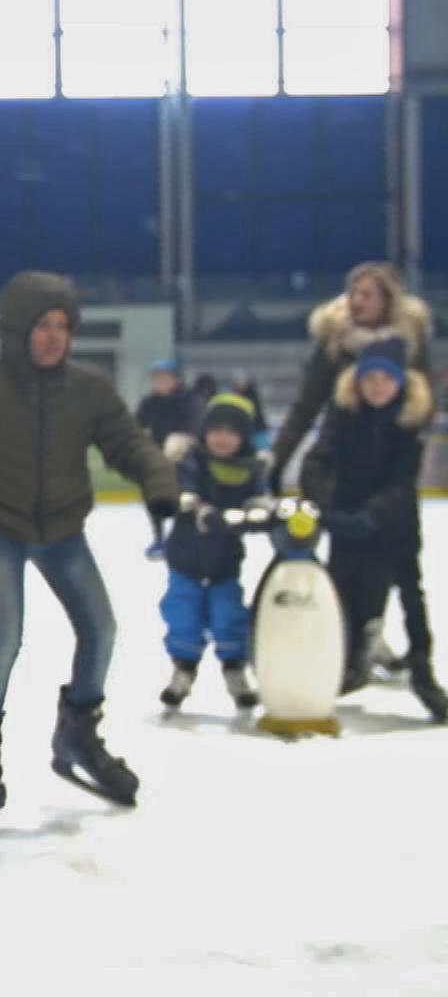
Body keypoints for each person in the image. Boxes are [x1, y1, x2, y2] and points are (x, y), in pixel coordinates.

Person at [0, 270, 179, 826]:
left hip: (61, 530)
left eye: (61, 326)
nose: (53, 336)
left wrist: (160, 485)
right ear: (15, 331)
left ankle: (78, 735)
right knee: (5, 639)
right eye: (41, 325)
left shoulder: (89, 389)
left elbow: (130, 443)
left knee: (101, 628)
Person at [298, 337, 442, 721]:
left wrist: (374, 515)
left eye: (386, 378)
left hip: (394, 528)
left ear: (401, 382)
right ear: (357, 380)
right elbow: (317, 461)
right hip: (345, 523)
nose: (377, 385)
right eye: (370, 377)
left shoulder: (410, 422)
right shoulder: (342, 415)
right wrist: (326, 505)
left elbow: (401, 482)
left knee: (411, 598)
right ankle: (347, 665)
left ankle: (424, 675)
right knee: (343, 596)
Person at [272, 261, 432, 488]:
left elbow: (423, 403)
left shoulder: (411, 343)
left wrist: (410, 452)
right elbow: (305, 408)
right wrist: (276, 462)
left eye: (367, 295)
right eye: (353, 293)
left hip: (390, 457)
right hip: (339, 457)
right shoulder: (334, 341)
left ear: (388, 299)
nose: (357, 301)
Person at [155, 394, 265, 711]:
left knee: (228, 615)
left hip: (224, 562)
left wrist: (257, 513)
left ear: (243, 437)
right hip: (186, 558)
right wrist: (193, 503)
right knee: (182, 612)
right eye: (216, 429)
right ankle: (183, 670)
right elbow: (182, 485)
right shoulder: (193, 459)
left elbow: (259, 497)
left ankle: (235, 670)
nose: (222, 438)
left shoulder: (251, 468)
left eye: (232, 432)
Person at [136, 358, 197, 559]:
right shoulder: (149, 402)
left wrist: (183, 440)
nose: (160, 382)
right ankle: (159, 538)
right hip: (157, 457)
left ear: (176, 380)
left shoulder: (188, 400)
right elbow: (135, 424)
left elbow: (196, 425)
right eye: (157, 378)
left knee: (184, 498)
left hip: (183, 459)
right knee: (154, 497)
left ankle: (182, 538)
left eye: (165, 378)